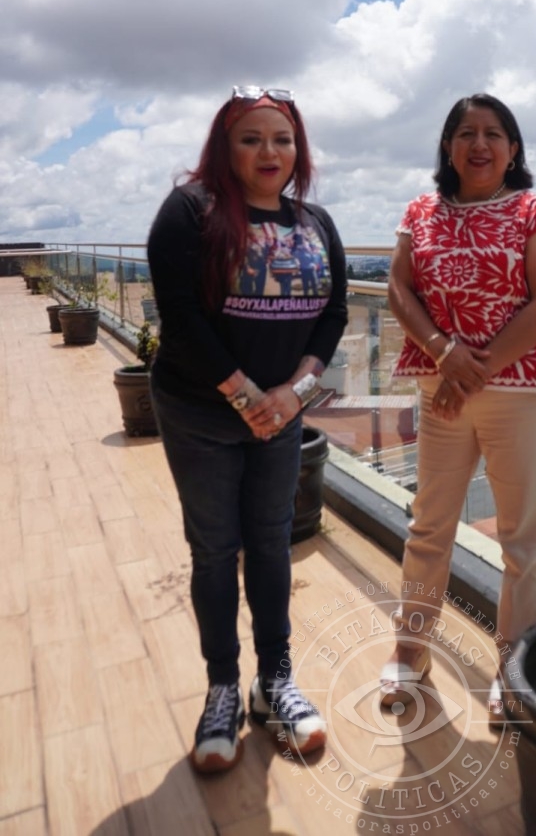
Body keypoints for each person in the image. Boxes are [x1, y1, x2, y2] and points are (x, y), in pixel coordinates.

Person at [147, 86, 348, 774]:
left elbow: (333, 316)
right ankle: (223, 689)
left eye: (282, 139)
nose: (270, 151)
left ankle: (274, 682)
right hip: (200, 412)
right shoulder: (190, 211)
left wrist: (293, 395)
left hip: (281, 417)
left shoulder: (315, 221)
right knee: (213, 550)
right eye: (251, 138)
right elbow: (179, 315)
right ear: (224, 148)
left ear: (298, 150)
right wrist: (245, 396)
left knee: (270, 543)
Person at [382, 93, 536, 725]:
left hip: (517, 392)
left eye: (494, 134)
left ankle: (516, 670)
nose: (480, 144)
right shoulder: (421, 211)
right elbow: (398, 288)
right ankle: (410, 649)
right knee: (429, 524)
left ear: (513, 149)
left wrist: (470, 371)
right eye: (466, 133)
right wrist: (445, 354)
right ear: (448, 147)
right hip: (441, 383)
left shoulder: (534, 210)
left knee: (524, 539)